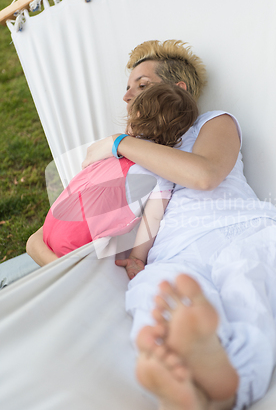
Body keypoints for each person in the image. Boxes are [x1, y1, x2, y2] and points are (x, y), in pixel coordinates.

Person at [82, 39, 276, 410]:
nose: (127, 94)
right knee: (155, 296)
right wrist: (137, 258)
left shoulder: (214, 122)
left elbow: (204, 175)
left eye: (141, 83)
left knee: (249, 282)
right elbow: (149, 208)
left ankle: (220, 390)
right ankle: (187, 385)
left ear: (178, 90)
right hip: (174, 253)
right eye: (128, 87)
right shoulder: (150, 151)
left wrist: (120, 143)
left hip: (237, 229)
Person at [26, 83, 199, 271]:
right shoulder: (162, 174)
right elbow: (153, 218)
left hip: (51, 224)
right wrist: (136, 257)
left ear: (137, 116)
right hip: (75, 243)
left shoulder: (113, 148)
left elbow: (86, 166)